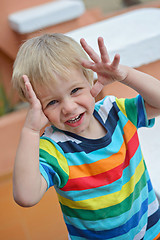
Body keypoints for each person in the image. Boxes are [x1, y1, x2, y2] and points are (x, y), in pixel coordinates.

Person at [12, 33, 160, 240]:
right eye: (52, 102)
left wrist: (124, 74)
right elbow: (26, 196)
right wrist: (30, 131)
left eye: (75, 90)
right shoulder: (54, 148)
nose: (69, 107)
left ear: (90, 79)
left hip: (150, 230)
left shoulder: (116, 112)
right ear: (39, 107)